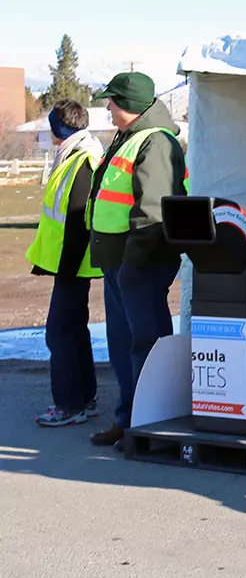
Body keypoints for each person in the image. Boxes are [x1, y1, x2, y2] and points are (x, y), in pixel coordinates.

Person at [86, 72, 188, 448]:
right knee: (124, 343)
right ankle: (129, 419)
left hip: (139, 262)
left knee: (145, 343)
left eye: (112, 101)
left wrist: (135, 263)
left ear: (130, 105)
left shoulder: (155, 143)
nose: (108, 107)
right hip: (122, 261)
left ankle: (152, 425)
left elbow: (153, 210)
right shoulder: (129, 138)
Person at [27, 100, 104, 427]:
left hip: (74, 263)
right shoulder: (75, 153)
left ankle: (69, 404)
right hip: (70, 262)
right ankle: (84, 397)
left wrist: (68, 265)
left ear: (60, 127)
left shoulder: (82, 158)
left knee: (59, 332)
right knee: (72, 329)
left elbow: (77, 218)